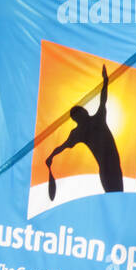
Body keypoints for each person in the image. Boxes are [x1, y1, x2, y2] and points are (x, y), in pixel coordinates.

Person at [46, 64, 124, 195]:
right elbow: (62, 146)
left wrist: (105, 81)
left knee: (117, 197)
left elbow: (103, 99)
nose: (84, 111)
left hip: (111, 167)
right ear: (79, 117)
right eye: (80, 112)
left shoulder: (87, 126)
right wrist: (51, 156)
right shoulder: (82, 130)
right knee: (116, 197)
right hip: (108, 169)